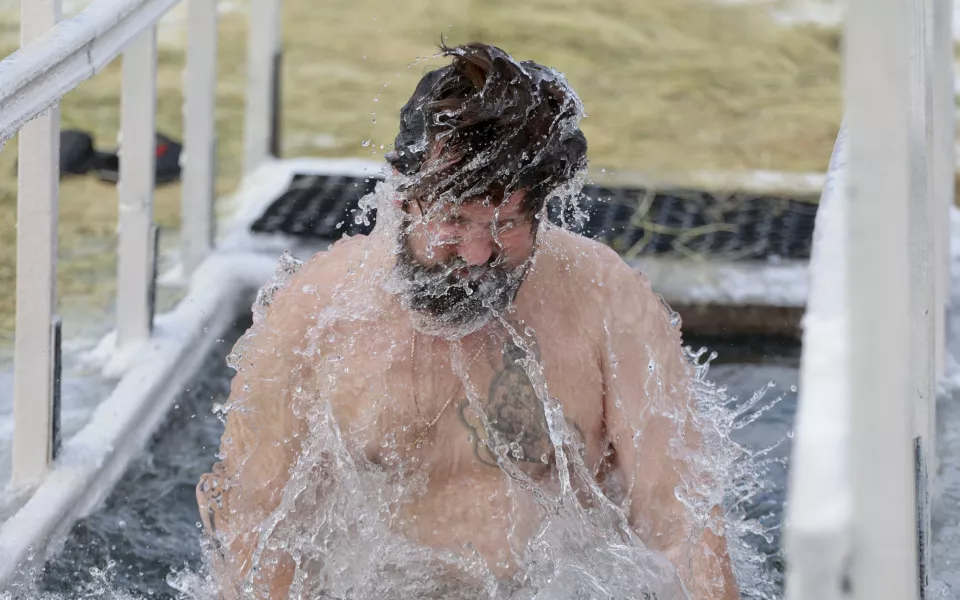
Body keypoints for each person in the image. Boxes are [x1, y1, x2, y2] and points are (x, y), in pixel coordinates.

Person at [196, 42, 739, 600]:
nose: (478, 254)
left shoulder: (605, 299)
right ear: (401, 194)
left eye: (506, 223)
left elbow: (683, 524)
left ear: (541, 209)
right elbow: (253, 527)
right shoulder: (315, 314)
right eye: (454, 218)